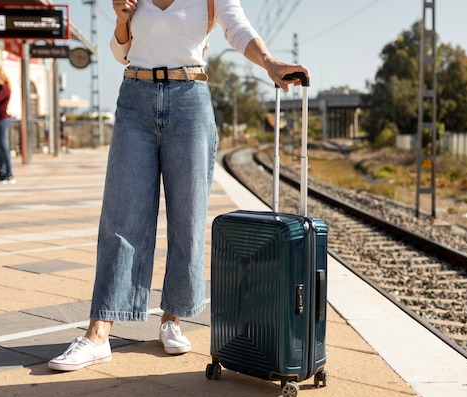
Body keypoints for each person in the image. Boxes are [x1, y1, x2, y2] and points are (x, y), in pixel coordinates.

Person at [48, 0, 309, 371]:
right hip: (134, 100)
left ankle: (173, 318)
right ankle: (97, 333)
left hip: (190, 101)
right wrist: (122, 20)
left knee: (187, 217)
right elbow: (121, 51)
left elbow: (237, 29)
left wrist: (270, 63)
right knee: (120, 216)